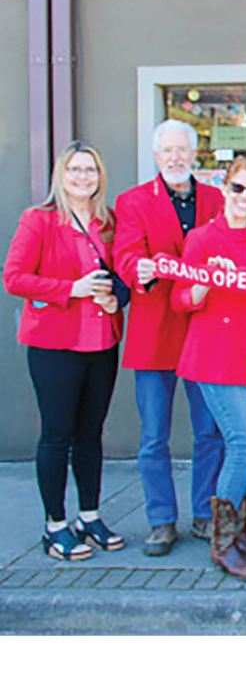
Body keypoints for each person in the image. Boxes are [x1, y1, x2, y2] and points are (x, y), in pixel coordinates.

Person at [4, 143, 125, 561]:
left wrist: (115, 301)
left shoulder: (108, 222)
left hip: (102, 342)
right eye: (74, 169)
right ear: (62, 174)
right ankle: (54, 525)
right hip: (55, 344)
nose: (83, 177)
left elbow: (120, 275)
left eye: (90, 169)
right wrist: (69, 290)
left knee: (91, 434)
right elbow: (14, 277)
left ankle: (88, 515)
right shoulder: (39, 221)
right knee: (57, 435)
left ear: (99, 176)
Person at [113, 118, 224, 556]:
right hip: (154, 331)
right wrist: (136, 270)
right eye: (167, 151)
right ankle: (161, 521)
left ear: (196, 154)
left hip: (204, 329)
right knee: (154, 437)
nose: (176, 158)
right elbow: (125, 255)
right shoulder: (133, 201)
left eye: (183, 150)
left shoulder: (217, 199)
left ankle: (204, 514)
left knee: (210, 432)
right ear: (156, 156)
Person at [172, 157, 246, 581]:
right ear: (224, 189)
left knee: (245, 450)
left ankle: (241, 533)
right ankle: (223, 541)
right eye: (238, 189)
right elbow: (180, 298)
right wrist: (204, 283)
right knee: (245, 444)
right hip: (216, 357)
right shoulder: (201, 238)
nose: (245, 199)